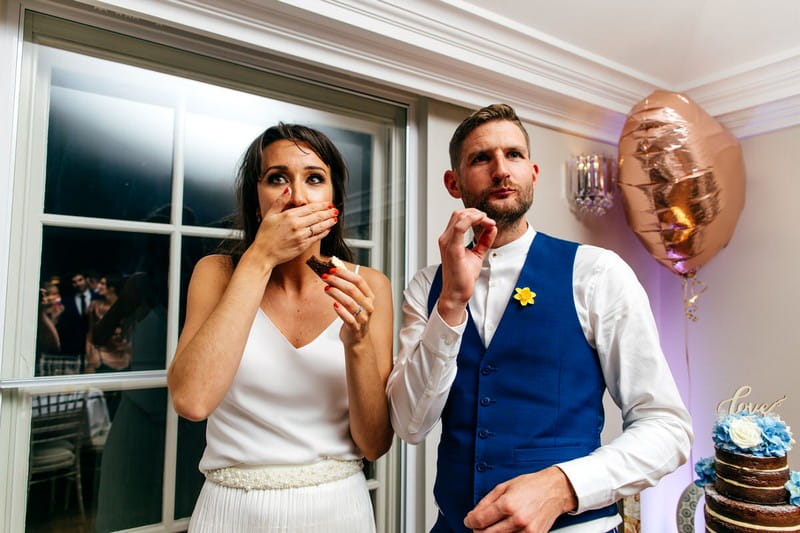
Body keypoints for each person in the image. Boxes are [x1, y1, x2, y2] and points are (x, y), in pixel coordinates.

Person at [387, 104, 693, 532]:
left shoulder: (597, 272)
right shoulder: (426, 287)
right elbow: (409, 425)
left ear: (532, 171)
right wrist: (452, 303)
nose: (501, 170)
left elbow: (667, 428)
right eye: (481, 158)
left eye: (513, 155)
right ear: (453, 183)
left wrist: (563, 486)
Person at [168, 123, 394, 532]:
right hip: (230, 510)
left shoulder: (370, 285)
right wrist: (259, 259)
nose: (297, 196)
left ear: (334, 200)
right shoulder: (216, 273)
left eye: (314, 178)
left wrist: (357, 342)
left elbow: (375, 444)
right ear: (258, 203)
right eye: (277, 179)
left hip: (339, 510)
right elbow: (192, 401)